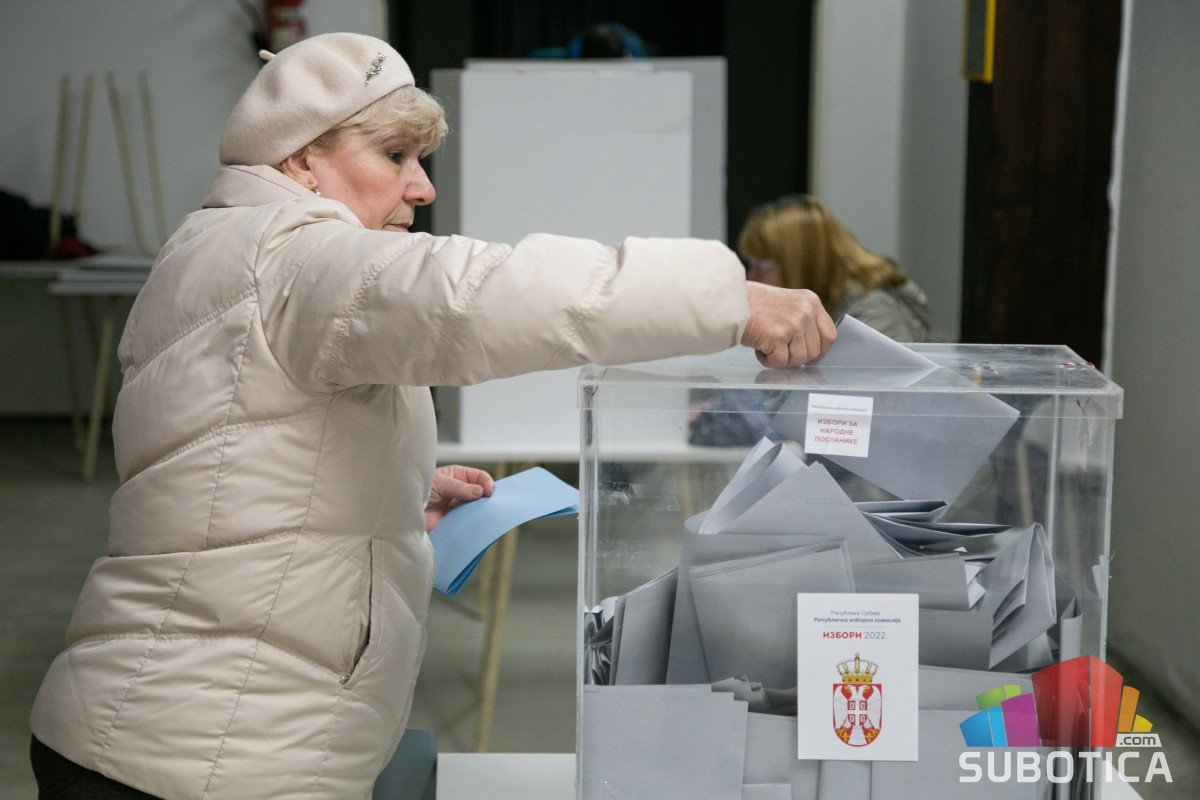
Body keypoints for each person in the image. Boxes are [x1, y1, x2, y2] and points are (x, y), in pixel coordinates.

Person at [28, 33, 835, 799]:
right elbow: (479, 298)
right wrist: (731, 300)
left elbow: (216, 468)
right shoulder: (296, 257)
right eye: (394, 156)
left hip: (149, 731)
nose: (422, 187)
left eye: (420, 160)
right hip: (201, 759)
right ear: (303, 159)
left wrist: (391, 499)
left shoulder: (217, 249)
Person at [738, 194, 932, 343]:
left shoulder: (875, 312)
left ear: (805, 261)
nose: (751, 275)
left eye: (763, 265)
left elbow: (881, 384)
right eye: (751, 263)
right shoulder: (834, 302)